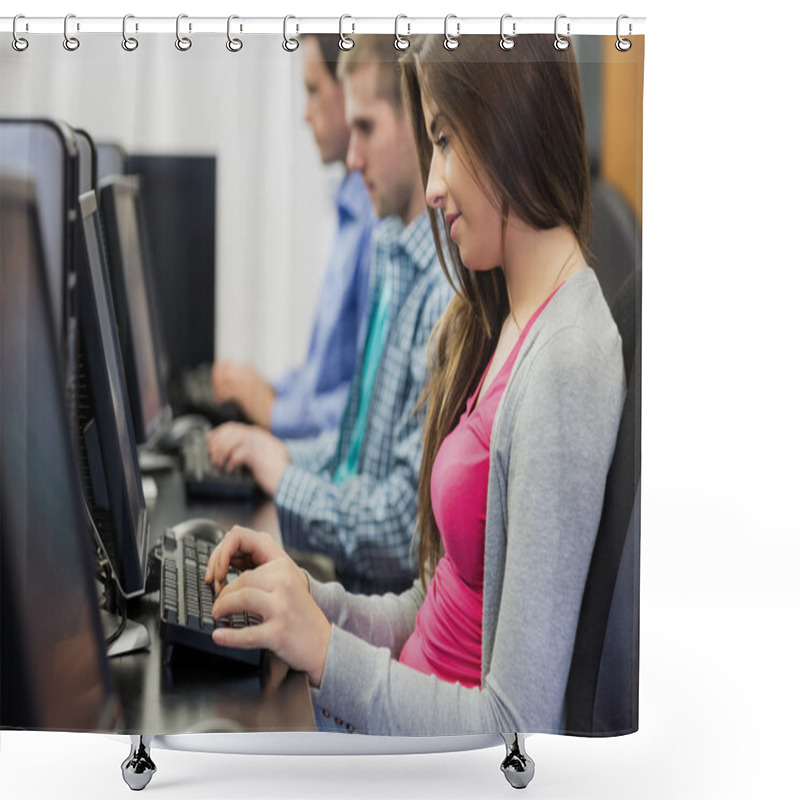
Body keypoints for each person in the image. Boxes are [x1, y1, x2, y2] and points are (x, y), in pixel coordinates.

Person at [205, 34, 626, 735]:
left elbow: (511, 728)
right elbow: (435, 609)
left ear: (509, 120)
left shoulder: (566, 364)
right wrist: (311, 603)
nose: (432, 186)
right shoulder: (501, 319)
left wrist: (326, 651)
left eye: (446, 140)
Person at [206, 36, 452, 595]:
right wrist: (279, 454)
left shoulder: (442, 293)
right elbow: (354, 453)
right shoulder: (394, 254)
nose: (353, 156)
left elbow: (404, 530)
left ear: (417, 124)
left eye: (366, 127)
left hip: (375, 602)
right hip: (353, 586)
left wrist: (286, 479)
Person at [211, 34, 375, 439]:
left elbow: (364, 404)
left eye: (314, 92)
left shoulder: (379, 221)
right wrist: (268, 389)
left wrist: (273, 409)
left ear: (352, 86)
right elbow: (325, 377)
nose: (306, 113)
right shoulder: (353, 203)